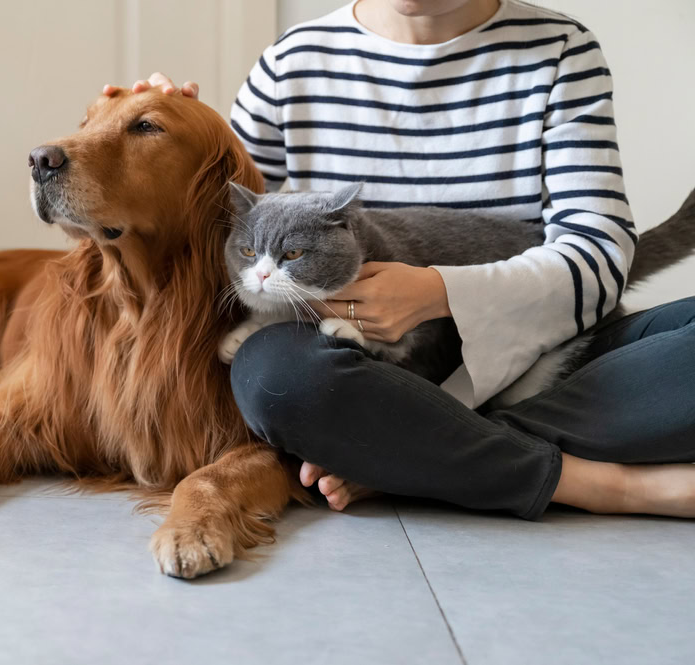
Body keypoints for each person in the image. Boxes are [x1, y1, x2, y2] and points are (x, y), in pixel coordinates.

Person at [103, 0, 695, 520]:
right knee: (273, 375)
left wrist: (439, 292)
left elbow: (598, 253)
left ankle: (413, 452)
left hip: (541, 350)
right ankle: (597, 484)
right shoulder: (292, 62)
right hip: (364, 371)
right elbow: (222, 220)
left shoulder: (561, 50)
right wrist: (162, 134)